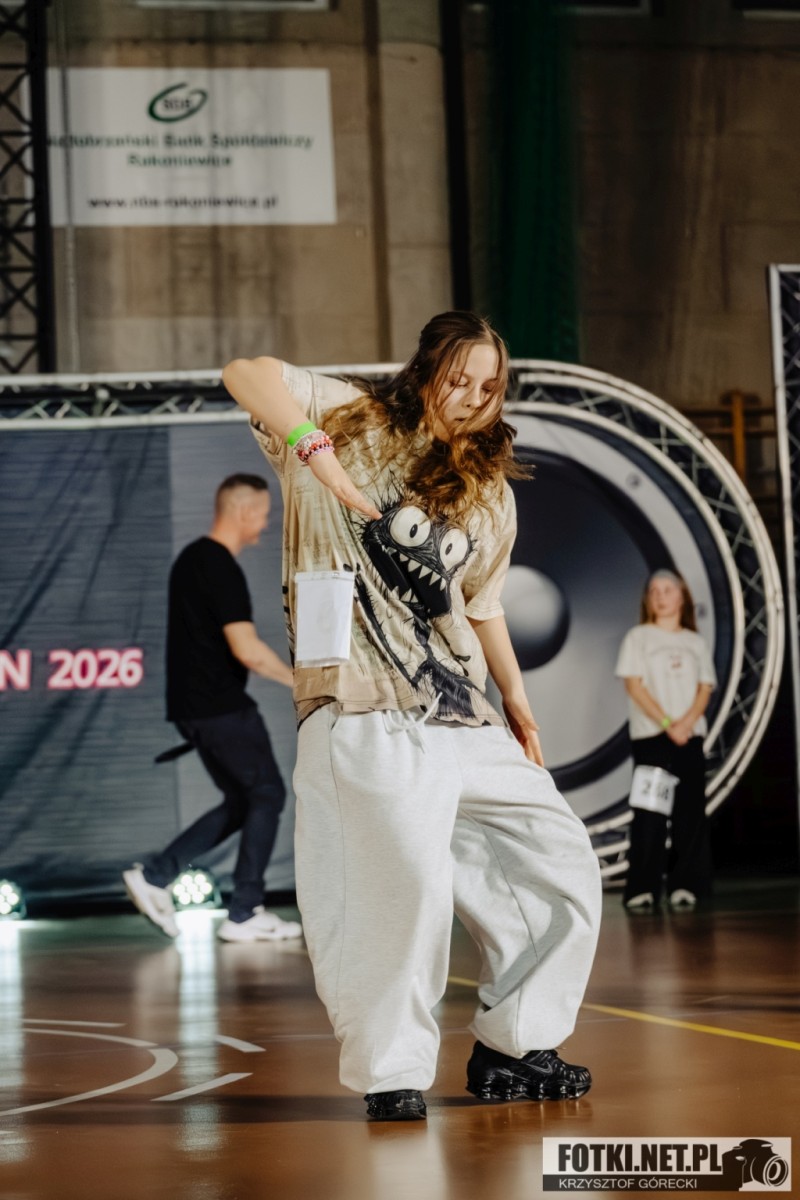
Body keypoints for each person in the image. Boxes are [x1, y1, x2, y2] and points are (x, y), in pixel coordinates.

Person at [221, 312, 602, 1122]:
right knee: (401, 894)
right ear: (427, 368)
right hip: (361, 703)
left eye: (489, 386)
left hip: (462, 710)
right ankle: (391, 1071)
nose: (472, 397)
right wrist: (313, 450)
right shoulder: (347, 416)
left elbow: (484, 605)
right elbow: (245, 372)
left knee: (557, 862)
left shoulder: (487, 490)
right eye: (459, 378)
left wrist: (518, 702)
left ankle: (515, 1044)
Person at [123, 474, 302, 944]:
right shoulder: (219, 565)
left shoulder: (192, 560)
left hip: (196, 708)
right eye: (264, 513)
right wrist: (303, 683)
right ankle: (243, 911)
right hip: (218, 705)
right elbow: (248, 650)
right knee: (267, 793)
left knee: (247, 800)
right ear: (244, 511)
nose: (266, 523)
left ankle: (159, 877)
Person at [616, 569, 717, 912]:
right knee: (650, 813)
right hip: (652, 737)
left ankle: (686, 884)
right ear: (648, 599)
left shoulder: (694, 642)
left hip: (689, 736)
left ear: (682, 596)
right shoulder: (638, 637)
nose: (660, 596)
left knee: (690, 812)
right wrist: (665, 722)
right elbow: (634, 685)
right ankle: (642, 888)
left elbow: (705, 687)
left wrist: (685, 724)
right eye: (654, 591)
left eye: (668, 590)